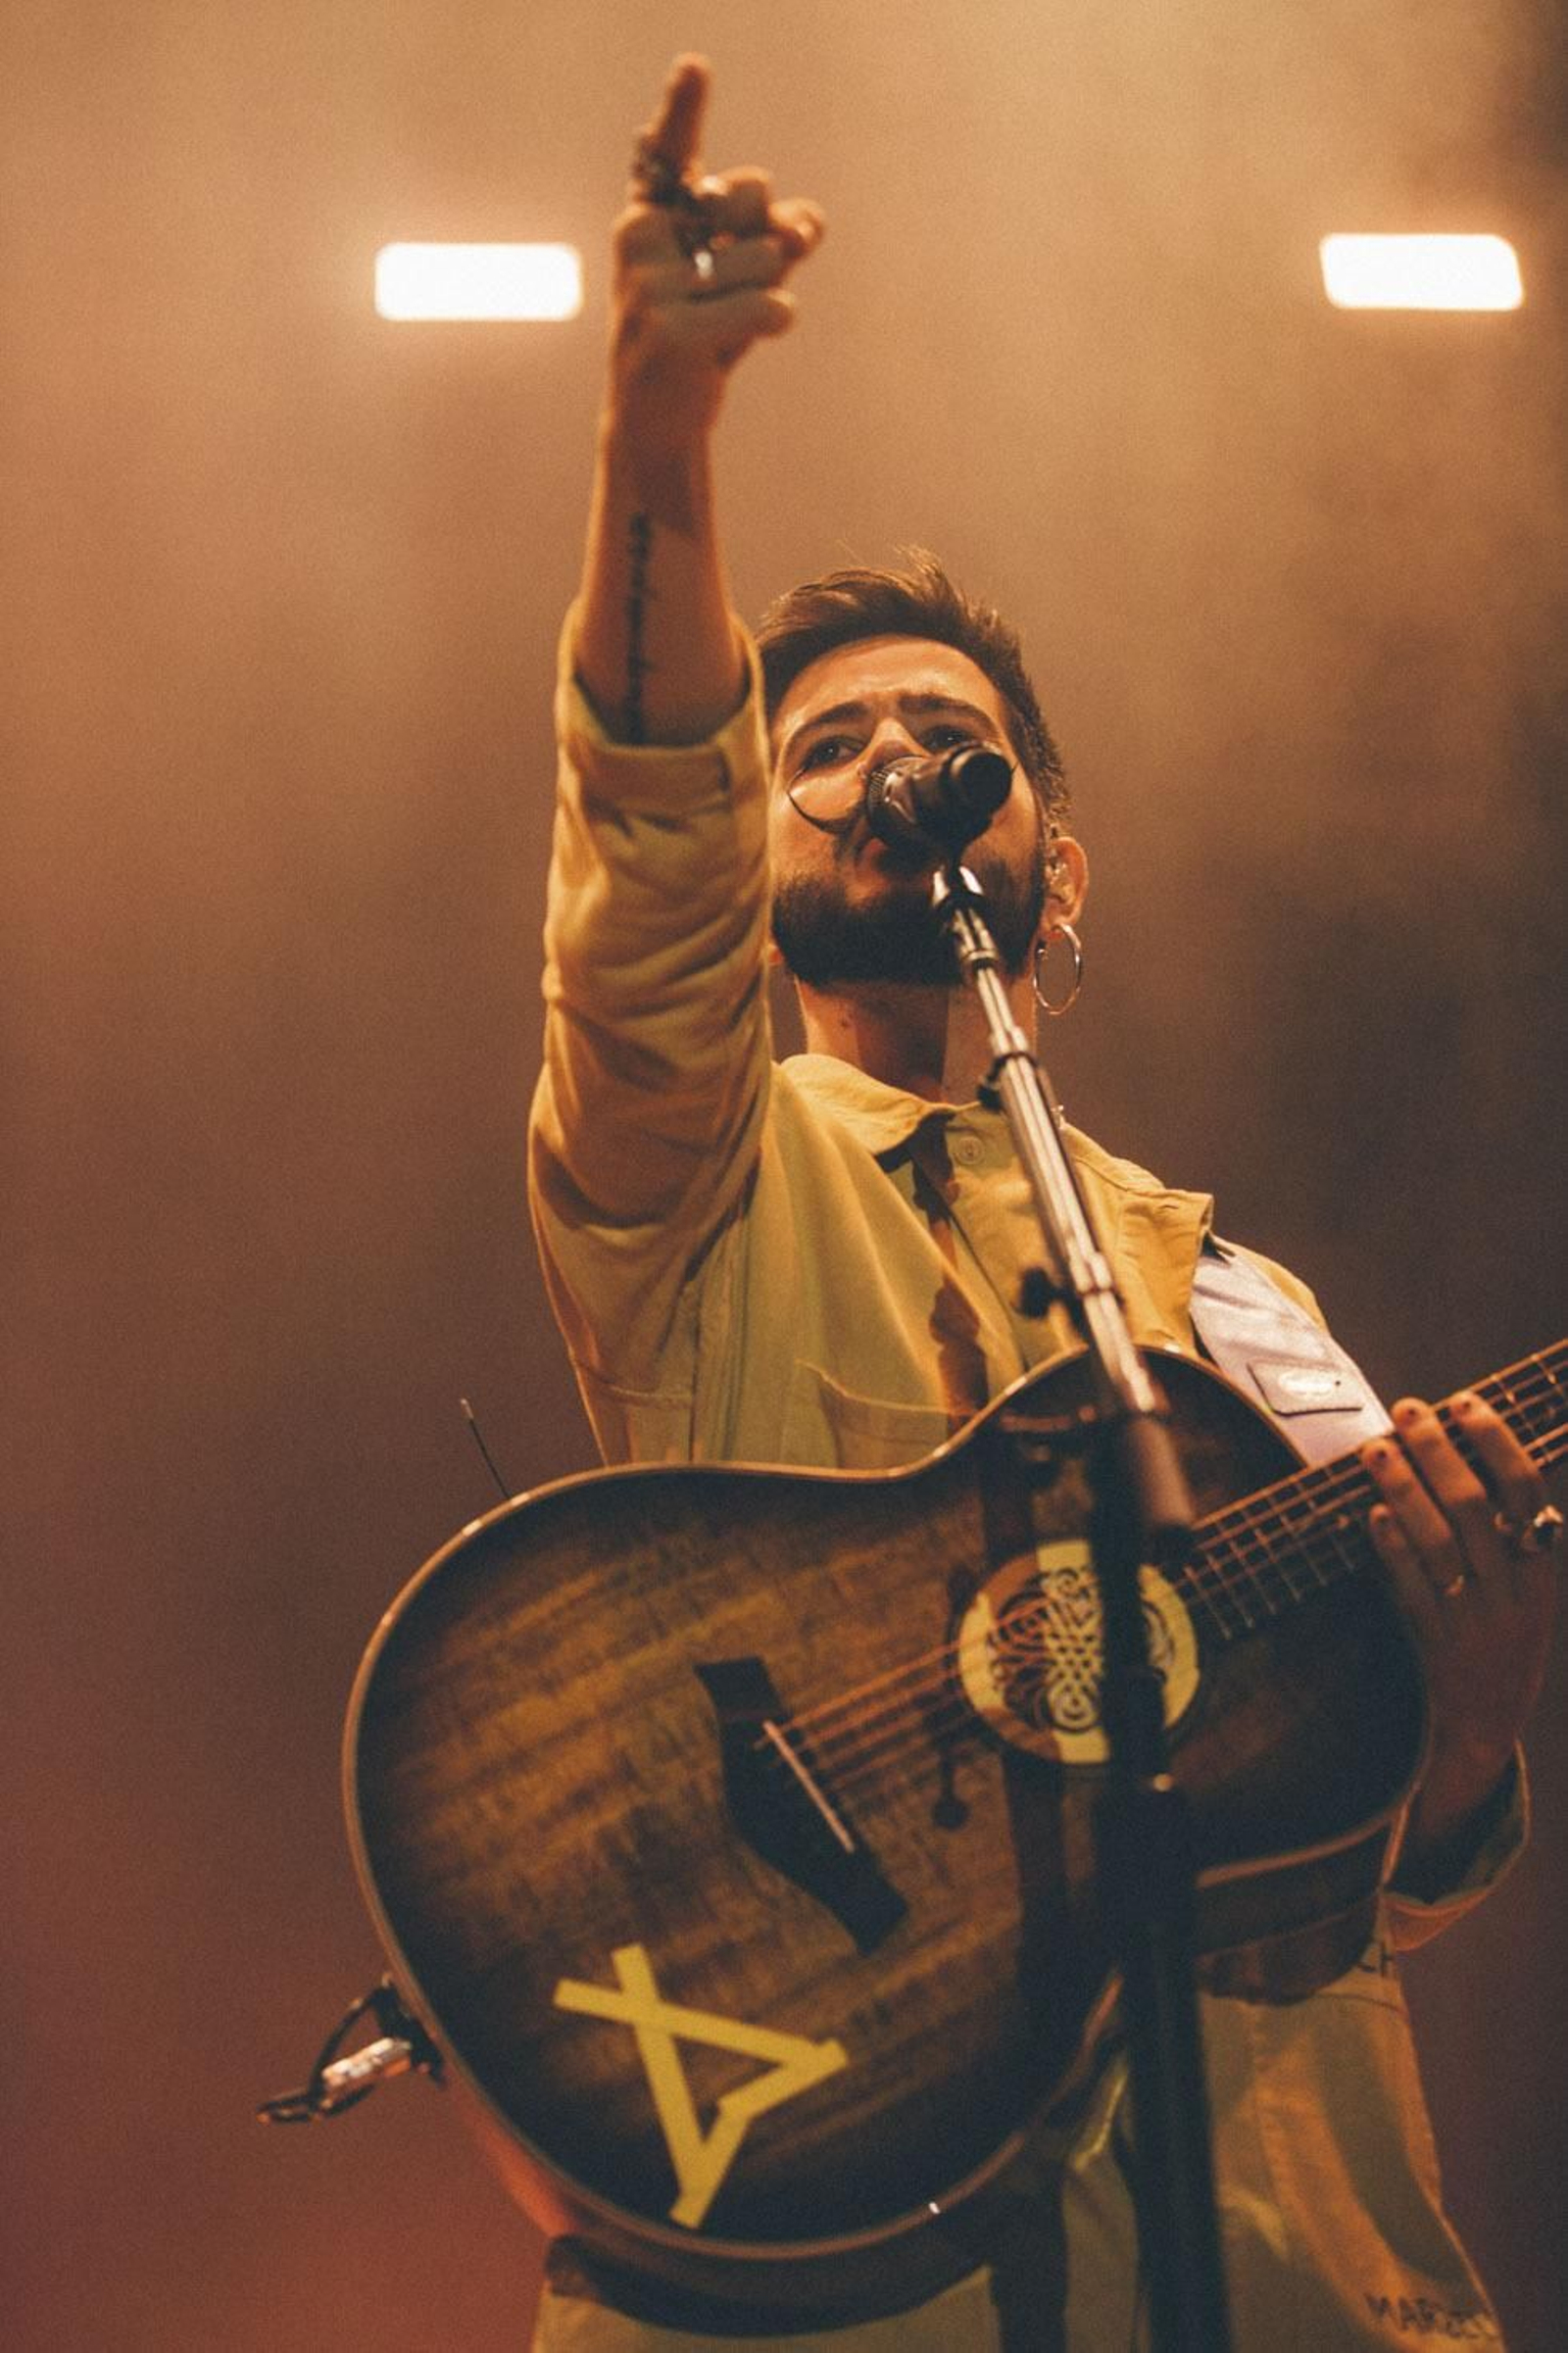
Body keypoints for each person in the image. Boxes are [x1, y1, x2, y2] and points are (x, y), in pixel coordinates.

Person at [526, 55, 1558, 2351]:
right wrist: (660, 434)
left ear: (1047, 864)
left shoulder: (1238, 1309)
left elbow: (1335, 1857)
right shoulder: (699, 1186)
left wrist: (1467, 1738)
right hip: (831, 2267)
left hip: (1285, 2278)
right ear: (771, 855)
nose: (887, 763)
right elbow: (641, 895)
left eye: (941, 735)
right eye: (820, 750)